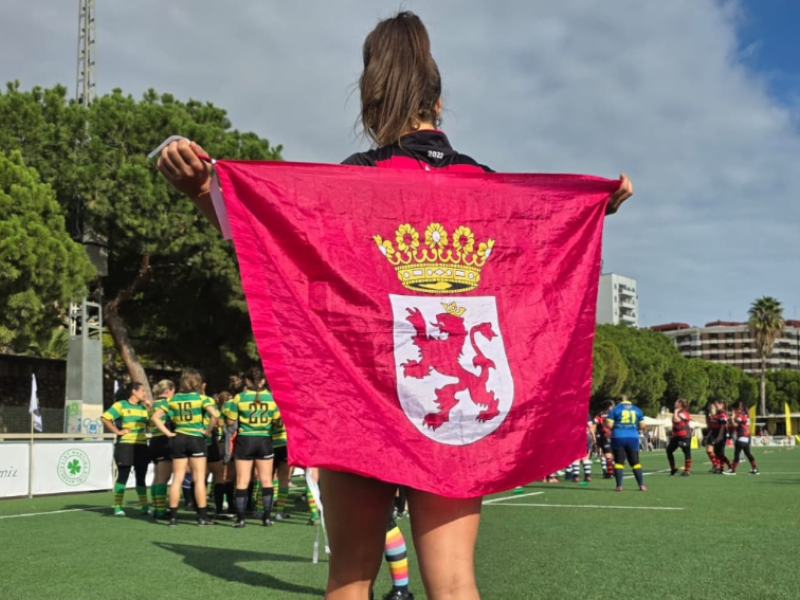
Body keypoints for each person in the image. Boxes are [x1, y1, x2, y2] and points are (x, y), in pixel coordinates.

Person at [157, 11, 633, 599]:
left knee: (350, 581)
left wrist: (200, 190)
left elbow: (267, 243)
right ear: (439, 100)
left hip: (359, 400)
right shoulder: (488, 190)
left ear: (371, 97)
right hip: (452, 422)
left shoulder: (348, 187)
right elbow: (538, 263)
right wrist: (592, 210)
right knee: (455, 583)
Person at [151, 368, 219, 526]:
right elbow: (215, 416)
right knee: (199, 478)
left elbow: (155, 417)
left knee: (177, 479)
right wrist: (207, 431)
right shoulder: (203, 399)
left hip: (178, 438)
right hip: (196, 438)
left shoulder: (172, 399)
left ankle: (173, 517)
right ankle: (202, 517)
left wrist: (168, 433)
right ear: (196, 382)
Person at [222, 366, 281, 528]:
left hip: (245, 441)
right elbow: (278, 424)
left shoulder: (239, 398)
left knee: (242, 480)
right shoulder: (271, 398)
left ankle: (241, 519)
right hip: (264, 441)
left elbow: (230, 422)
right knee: (267, 480)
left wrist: (227, 412)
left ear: (247, 381)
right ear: (263, 381)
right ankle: (267, 519)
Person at [101, 382, 151, 517]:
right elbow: (105, 418)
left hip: (141, 445)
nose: (144, 393)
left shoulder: (143, 407)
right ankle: (118, 507)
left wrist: (150, 409)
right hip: (125, 445)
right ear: (133, 392)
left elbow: (151, 424)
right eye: (142, 391)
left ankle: (145, 507)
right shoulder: (121, 405)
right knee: (123, 475)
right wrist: (118, 431)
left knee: (141, 477)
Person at [605, 395, 646, 492]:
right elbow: (643, 425)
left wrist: (607, 423)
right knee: (635, 462)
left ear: (619, 401)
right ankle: (641, 485)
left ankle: (619, 486)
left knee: (619, 462)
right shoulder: (637, 409)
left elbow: (609, 425)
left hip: (618, 436)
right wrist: (633, 428)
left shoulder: (615, 409)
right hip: (632, 437)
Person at [149, 379, 176, 519]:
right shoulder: (167, 403)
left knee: (157, 476)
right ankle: (160, 511)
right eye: (173, 390)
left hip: (154, 440)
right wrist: (169, 433)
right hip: (164, 440)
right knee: (163, 478)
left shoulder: (154, 403)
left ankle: (155, 507)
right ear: (168, 390)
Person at [728, 402, 759, 475]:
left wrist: (732, 418)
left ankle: (733, 470)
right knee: (748, 454)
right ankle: (755, 469)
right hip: (747, 437)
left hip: (742, 437)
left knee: (737, 454)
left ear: (736, 409)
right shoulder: (744, 415)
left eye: (733, 409)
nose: (733, 411)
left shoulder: (740, 415)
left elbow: (735, 424)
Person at [666, 398, 692, 477]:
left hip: (685, 436)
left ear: (680, 404)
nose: (674, 403)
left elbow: (677, 420)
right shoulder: (678, 412)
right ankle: (673, 468)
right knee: (669, 450)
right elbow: (675, 422)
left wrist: (676, 411)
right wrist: (672, 430)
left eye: (676, 402)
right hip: (676, 436)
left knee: (686, 451)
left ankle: (687, 471)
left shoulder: (684, 412)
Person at [708, 399, 732, 474]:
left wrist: (719, 436)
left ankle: (726, 465)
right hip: (714, 434)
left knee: (719, 453)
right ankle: (720, 467)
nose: (715, 406)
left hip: (720, 435)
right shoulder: (716, 414)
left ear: (721, 405)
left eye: (716, 405)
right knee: (717, 453)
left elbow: (723, 425)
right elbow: (713, 426)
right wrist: (708, 435)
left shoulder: (723, 414)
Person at [593, 401, 615, 479]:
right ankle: (611, 471)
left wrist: (594, 436)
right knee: (610, 454)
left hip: (604, 436)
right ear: (609, 407)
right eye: (612, 406)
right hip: (612, 435)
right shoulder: (613, 414)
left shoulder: (599, 415)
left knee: (604, 454)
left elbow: (594, 425)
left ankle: (608, 471)